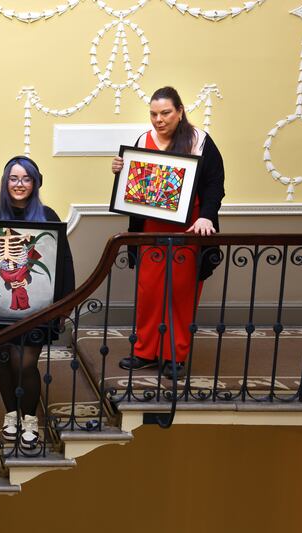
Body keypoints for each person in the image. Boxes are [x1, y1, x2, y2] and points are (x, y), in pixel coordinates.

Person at [0, 156, 75, 450]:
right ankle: (11, 416)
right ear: (5, 182)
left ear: (35, 183)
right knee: (5, 360)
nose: (19, 184)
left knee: (25, 363)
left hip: (38, 310)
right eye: (14, 178)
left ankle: (30, 420)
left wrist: (65, 304)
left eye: (26, 179)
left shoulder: (47, 217)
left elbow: (64, 261)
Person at [113, 86, 226, 379]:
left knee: (181, 294)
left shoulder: (199, 140)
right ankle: (145, 352)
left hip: (189, 230)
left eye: (165, 113)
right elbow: (136, 185)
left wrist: (206, 217)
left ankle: (173, 355)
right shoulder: (142, 140)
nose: (158, 119)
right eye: (153, 114)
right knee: (149, 292)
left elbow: (215, 183)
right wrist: (121, 171)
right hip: (150, 229)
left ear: (180, 111)